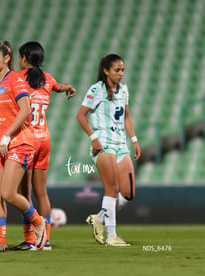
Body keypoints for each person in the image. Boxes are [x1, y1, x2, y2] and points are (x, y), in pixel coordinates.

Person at [0, 41, 47, 252]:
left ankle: (39, 223)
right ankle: (0, 241)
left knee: (8, 193)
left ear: (7, 58)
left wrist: (6, 137)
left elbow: (25, 111)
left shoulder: (16, 80)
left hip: (18, 143)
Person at [14, 41, 76, 251]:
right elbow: (60, 87)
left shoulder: (18, 79)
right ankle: (46, 240)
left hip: (28, 140)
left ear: (23, 58)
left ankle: (31, 239)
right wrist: (69, 88)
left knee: (24, 193)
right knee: (42, 193)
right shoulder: (47, 79)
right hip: (44, 140)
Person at [76, 54, 141, 246]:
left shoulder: (124, 90)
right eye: (117, 70)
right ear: (106, 71)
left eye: (122, 70)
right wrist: (93, 138)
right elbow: (80, 116)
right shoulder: (96, 90)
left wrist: (134, 140)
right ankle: (112, 236)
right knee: (111, 189)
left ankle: (99, 219)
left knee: (128, 193)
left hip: (121, 144)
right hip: (103, 144)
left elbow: (127, 117)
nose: (121, 74)